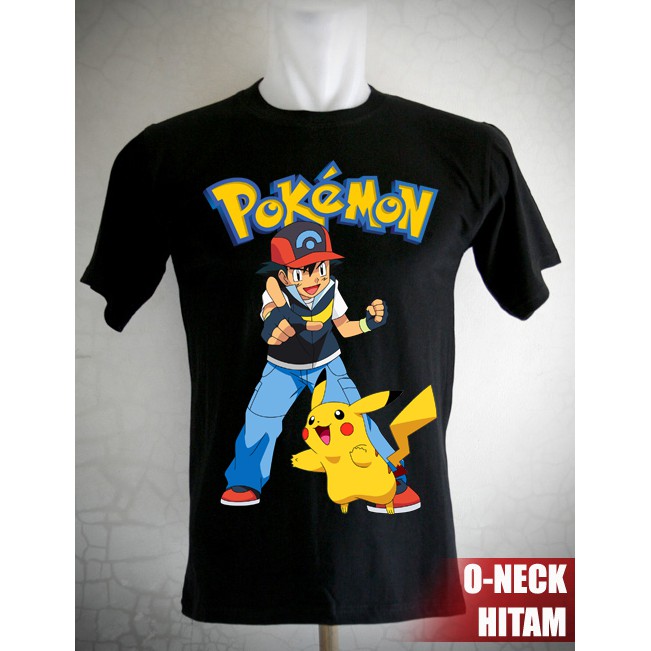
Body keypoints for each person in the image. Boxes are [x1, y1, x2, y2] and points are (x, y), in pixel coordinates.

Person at [221, 222, 421, 512]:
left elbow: (346, 328)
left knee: (357, 417)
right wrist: (275, 324)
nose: (313, 278)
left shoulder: (331, 290)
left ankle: (393, 478)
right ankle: (245, 481)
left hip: (327, 366)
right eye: (301, 271)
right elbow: (269, 315)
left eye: (321, 268)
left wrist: (369, 323)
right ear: (284, 275)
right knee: (259, 418)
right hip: (282, 368)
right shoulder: (276, 294)